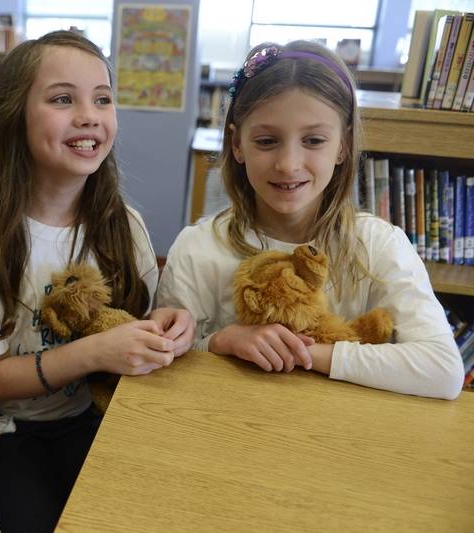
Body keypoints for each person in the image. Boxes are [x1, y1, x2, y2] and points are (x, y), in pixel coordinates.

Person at [0, 30, 195, 532]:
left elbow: (132, 329)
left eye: (102, 99)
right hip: (9, 433)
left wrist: (166, 327)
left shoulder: (126, 225)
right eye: (62, 99)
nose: (89, 115)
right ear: (16, 117)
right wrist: (93, 353)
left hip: (102, 417)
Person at [157, 40, 464, 400]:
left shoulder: (379, 244)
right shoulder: (198, 248)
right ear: (237, 144)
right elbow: (164, 363)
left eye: (314, 140)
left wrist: (306, 355)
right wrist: (221, 341)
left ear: (344, 146)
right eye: (267, 141)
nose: (288, 163)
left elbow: (442, 369)